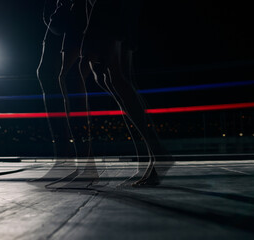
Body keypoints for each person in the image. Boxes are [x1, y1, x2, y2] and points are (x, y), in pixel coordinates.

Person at [40, 0, 173, 187]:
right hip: (114, 9)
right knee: (112, 79)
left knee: (83, 76)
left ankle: (91, 168)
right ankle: (154, 156)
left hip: (105, 9)